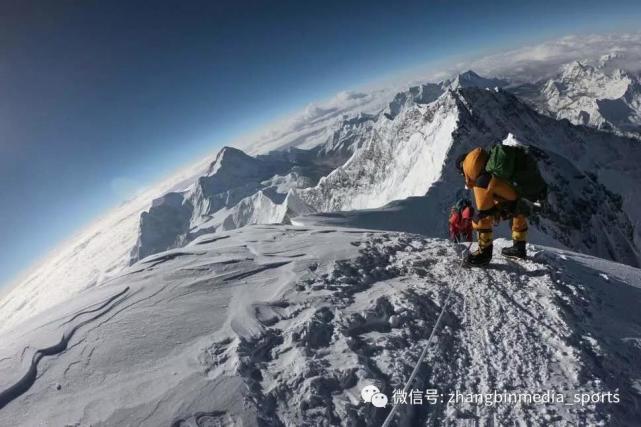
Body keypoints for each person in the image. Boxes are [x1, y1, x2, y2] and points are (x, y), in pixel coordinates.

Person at [456, 147, 528, 266]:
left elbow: (484, 215)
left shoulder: (481, 182)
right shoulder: (491, 167)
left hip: (508, 194)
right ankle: (519, 247)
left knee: (480, 219)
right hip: (520, 191)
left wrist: (479, 219)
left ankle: (484, 255)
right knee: (517, 209)